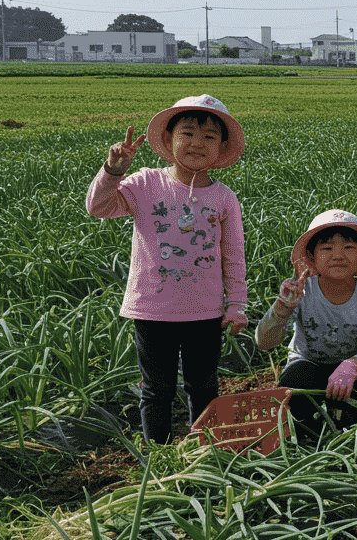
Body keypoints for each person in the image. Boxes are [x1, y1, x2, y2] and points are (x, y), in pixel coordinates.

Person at [85, 94, 249, 443]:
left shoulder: (223, 198)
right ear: (169, 139)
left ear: (220, 148)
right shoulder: (145, 184)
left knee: (203, 385)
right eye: (187, 133)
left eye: (209, 137)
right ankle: (156, 457)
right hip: (153, 310)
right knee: (157, 388)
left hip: (205, 311)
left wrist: (236, 304)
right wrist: (114, 171)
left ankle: (204, 448)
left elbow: (234, 255)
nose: (197, 143)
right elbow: (99, 207)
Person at [255, 210, 357, 431]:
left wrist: (352, 365)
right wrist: (282, 307)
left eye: (349, 248)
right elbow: (264, 342)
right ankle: (311, 425)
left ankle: (347, 418)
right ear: (312, 258)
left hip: (351, 373)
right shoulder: (302, 291)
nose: (338, 256)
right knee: (295, 381)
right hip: (310, 367)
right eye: (327, 248)